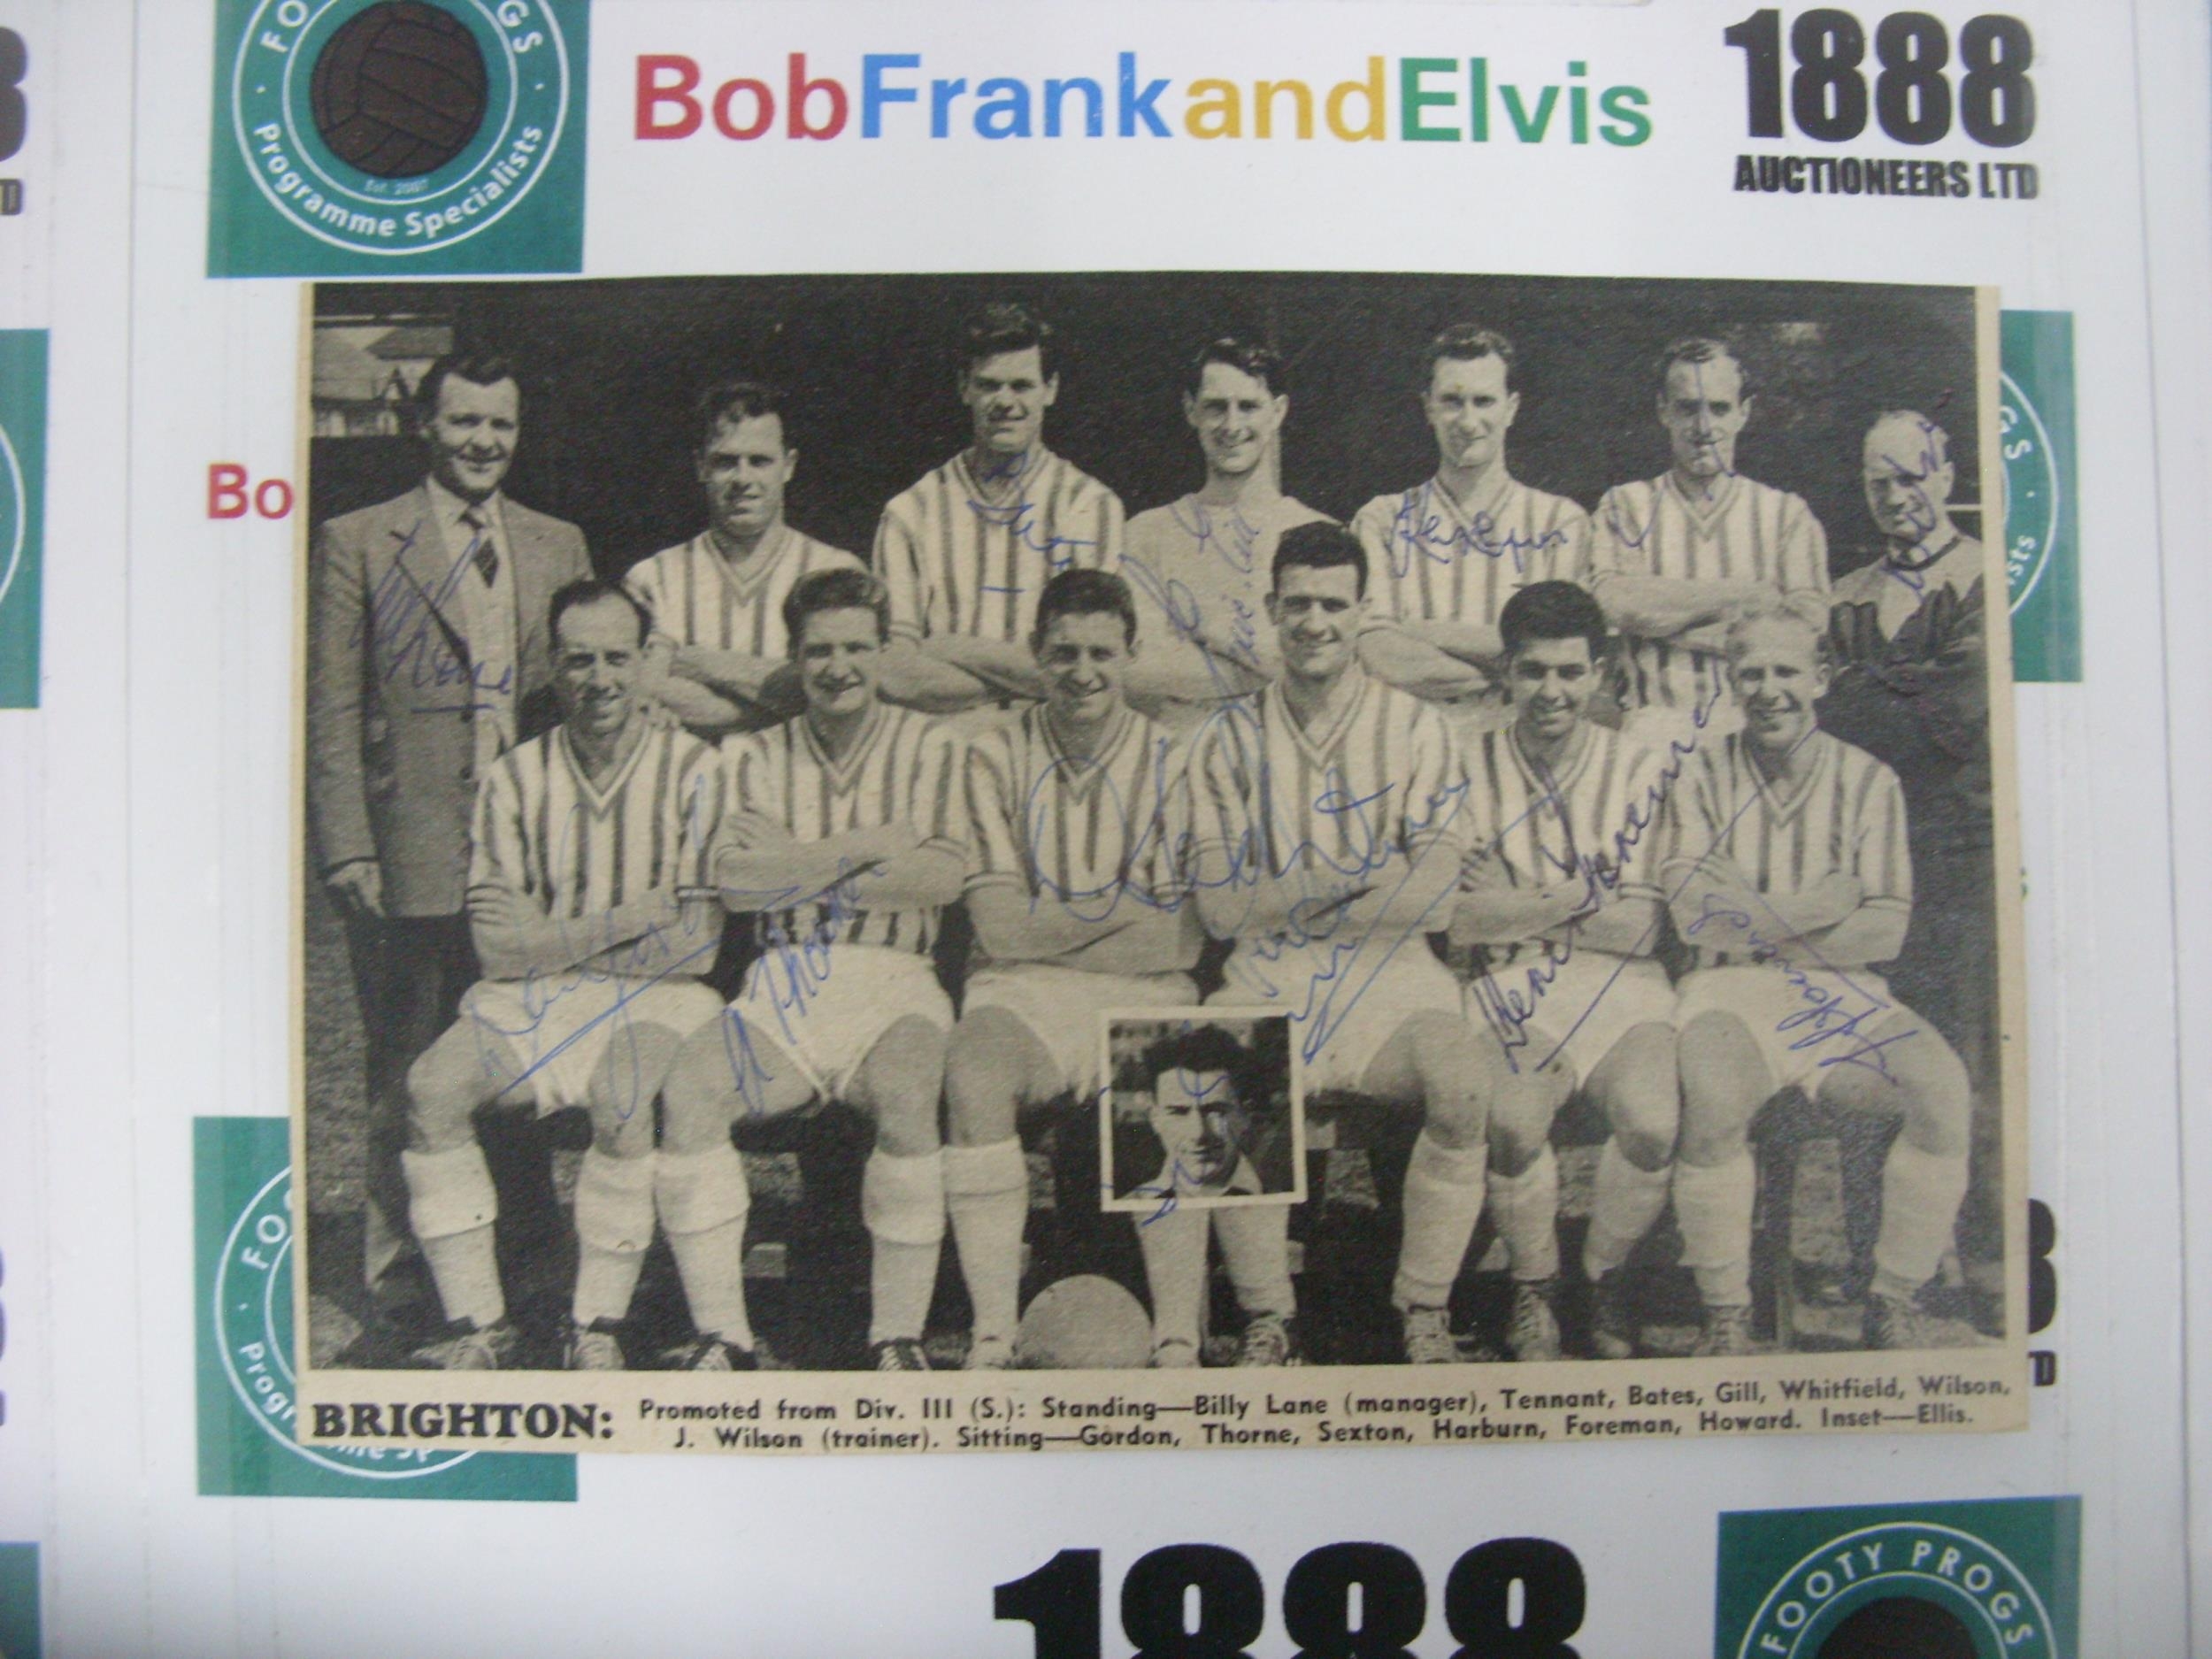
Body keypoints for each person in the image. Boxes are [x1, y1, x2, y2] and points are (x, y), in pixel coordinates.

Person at [306, 349, 593, 1285]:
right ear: (426, 425)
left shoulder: (557, 543)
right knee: (407, 1063)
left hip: (525, 857)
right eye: (465, 421)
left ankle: (523, 1263)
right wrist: (348, 846)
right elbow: (332, 707)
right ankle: (401, 1273)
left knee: (516, 1054)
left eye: (500, 424)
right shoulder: (360, 539)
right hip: (411, 848)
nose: (483, 441)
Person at [396, 580, 726, 1369]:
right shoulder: (514, 776)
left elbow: (695, 948)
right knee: (431, 1089)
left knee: (622, 1096)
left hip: (661, 997)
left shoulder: (698, 768)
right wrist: (631, 917)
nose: (598, 679)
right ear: (552, 665)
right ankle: (480, 1327)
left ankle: (596, 1327)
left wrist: (547, 936)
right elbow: (496, 949)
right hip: (534, 999)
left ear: (646, 661)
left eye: (616, 658)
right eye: (579, 660)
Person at [1185, 521, 1492, 1364]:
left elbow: (1435, 898)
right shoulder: (1225, 735)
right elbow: (1221, 909)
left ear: (1362, 612)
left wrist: (1286, 894)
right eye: (1298, 604)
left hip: (1393, 980)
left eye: (1332, 603)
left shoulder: (1418, 726)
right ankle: (1268, 1316)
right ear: (1271, 609)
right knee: (1220, 1066)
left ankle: (1423, 1305)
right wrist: (1361, 879)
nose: (1314, 622)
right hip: (1269, 978)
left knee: (1463, 1079)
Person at [655, 568, 968, 1371]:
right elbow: (738, 884)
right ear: (793, 658)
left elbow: (939, 877)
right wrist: (867, 846)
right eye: (819, 650)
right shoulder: (752, 753)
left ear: (883, 650)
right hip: (783, 981)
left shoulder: (933, 744)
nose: (838, 667)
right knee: (691, 1089)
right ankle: (723, 1334)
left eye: (856, 647)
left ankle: (896, 1335)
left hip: (895, 977)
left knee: (907, 1093)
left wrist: (792, 863)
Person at [1663, 600, 1970, 1356]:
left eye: (1786, 671)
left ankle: (1892, 1298)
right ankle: (1726, 1311)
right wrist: (1821, 905)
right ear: (1730, 681)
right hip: (1728, 989)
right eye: (1751, 673)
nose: (1769, 690)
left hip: (1845, 993)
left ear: (1821, 677)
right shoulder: (1698, 773)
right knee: (1715, 1102)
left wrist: (1753, 908)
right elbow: (1696, 920)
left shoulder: (1868, 780)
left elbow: (1885, 929)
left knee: (1942, 1092)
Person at [941, 567, 1204, 1370]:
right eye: (1064, 653)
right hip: (1022, 990)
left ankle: (1180, 1335)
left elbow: (1181, 944)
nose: (1082, 671)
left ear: (1131, 655)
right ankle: (993, 1332)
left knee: (1192, 1076)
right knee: (975, 1072)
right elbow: (996, 927)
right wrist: (1121, 909)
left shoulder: (1175, 757)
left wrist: (1048, 919)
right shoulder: (992, 753)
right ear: (1035, 653)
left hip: (1148, 989)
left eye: (1101, 652)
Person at [1448, 581, 1680, 1361]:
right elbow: (1460, 920)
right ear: (1505, 672)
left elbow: (1643, 929)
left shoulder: (1638, 767)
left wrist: (1519, 897)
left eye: (1571, 672)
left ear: (1600, 673)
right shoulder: (1465, 763)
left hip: (1623, 988)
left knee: (1652, 1123)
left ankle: (1603, 1274)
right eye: (1534, 671)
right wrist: (1584, 896)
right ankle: (1536, 1285)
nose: (1552, 691)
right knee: (1515, 1121)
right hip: (1511, 988)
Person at [1824, 410, 2001, 1319]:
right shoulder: (1846, 593)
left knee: (1967, 1059)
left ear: (1946, 474)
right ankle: (1879, 1263)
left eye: (1910, 476)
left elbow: (1959, 721)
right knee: (1875, 1055)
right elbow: (1827, 723)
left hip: (1958, 854)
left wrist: (1867, 693)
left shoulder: (1986, 578)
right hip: (1870, 862)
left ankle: (1987, 1266)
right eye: (1877, 481)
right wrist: (1896, 692)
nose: (1896, 496)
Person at [873, 302, 1126, 710]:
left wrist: (950, 646)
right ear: (964, 388)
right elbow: (894, 675)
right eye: (989, 385)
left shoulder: (1091, 507)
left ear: (1050, 389)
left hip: (1051, 737)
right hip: (943, 737)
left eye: (1021, 386)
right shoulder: (911, 512)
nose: (1005, 401)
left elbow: (1092, 669)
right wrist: (1029, 678)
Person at [1590, 336, 1831, 752]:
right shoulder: (1625, 505)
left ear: (1743, 412)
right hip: (1653, 731)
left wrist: (1661, 626)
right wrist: (1747, 597)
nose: (1703, 428)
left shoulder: (1786, 514)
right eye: (1688, 408)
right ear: (1663, 410)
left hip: (1755, 729)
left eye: (1718, 408)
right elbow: (1615, 603)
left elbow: (1804, 630)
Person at [1352, 325, 1593, 719]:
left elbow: (1557, 654)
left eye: (1483, 401)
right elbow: (1380, 655)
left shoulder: (1560, 522)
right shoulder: (1383, 519)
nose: (1467, 421)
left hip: (1519, 741)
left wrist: (1420, 629)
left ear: (1511, 408)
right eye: (1452, 401)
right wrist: (1513, 668)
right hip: (1410, 740)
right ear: (1428, 407)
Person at [622, 380, 866, 737]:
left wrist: (704, 665)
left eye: (759, 461)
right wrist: (787, 704)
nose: (743, 478)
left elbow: (847, 689)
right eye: (726, 462)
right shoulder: (652, 578)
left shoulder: (836, 571)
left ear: (788, 465)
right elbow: (638, 691)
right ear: (701, 466)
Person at [1118, 336, 1329, 732]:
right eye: (1216, 407)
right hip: (1179, 752)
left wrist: (1205, 636)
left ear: (1278, 411)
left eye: (1248, 407)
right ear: (1191, 410)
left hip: (1287, 750)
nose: (1232, 426)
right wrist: (1271, 663)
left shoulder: (1320, 534)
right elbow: (1135, 669)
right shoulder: (1146, 534)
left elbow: (1332, 669)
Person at [1123, 1025, 1299, 1369]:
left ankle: (1270, 1328)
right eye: (1178, 1112)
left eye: (1215, 1111)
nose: (1198, 1134)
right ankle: (1176, 1345)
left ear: (1244, 1115)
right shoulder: (1137, 1198)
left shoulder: (1276, 1188)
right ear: (1155, 1118)